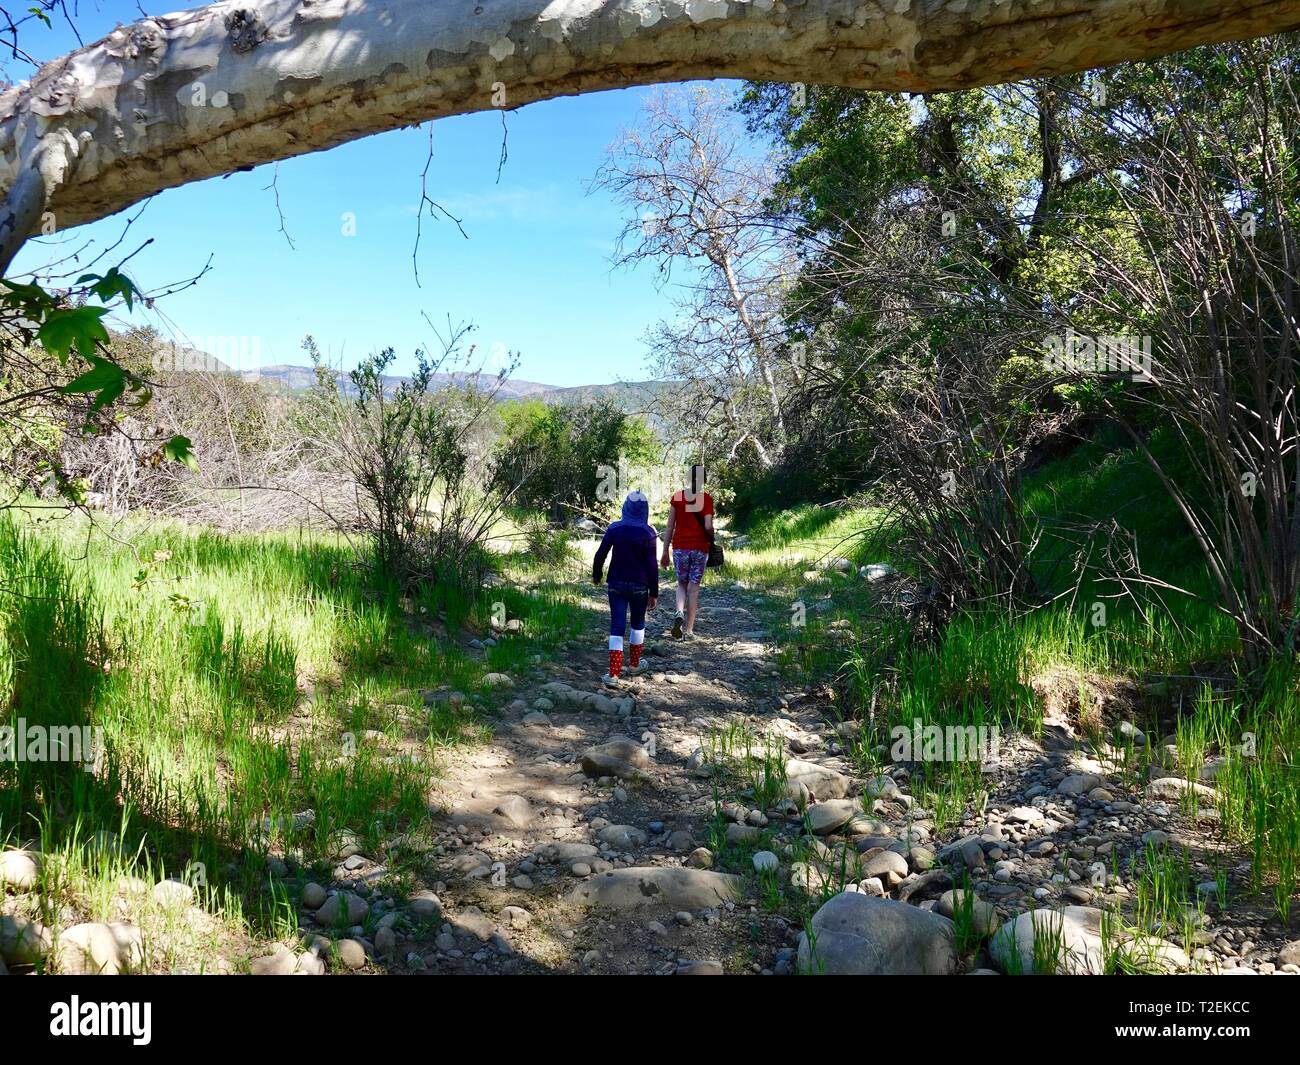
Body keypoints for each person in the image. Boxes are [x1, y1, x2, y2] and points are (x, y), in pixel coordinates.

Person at [592, 490, 659, 686]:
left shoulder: (614, 529)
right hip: (640, 586)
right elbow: (651, 566)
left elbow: (600, 554)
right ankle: (635, 664)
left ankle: (613, 674)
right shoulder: (648, 533)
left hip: (616, 584)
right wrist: (653, 592)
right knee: (638, 624)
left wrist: (597, 575)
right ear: (645, 511)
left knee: (617, 625)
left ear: (625, 508)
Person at [660, 464, 713, 639]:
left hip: (680, 547)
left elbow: (669, 526)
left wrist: (665, 550)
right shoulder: (706, 499)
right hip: (699, 548)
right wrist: (711, 538)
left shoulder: (677, 497)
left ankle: (678, 613)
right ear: (704, 480)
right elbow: (708, 526)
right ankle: (689, 631)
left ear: (688, 479)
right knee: (694, 587)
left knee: (681, 584)